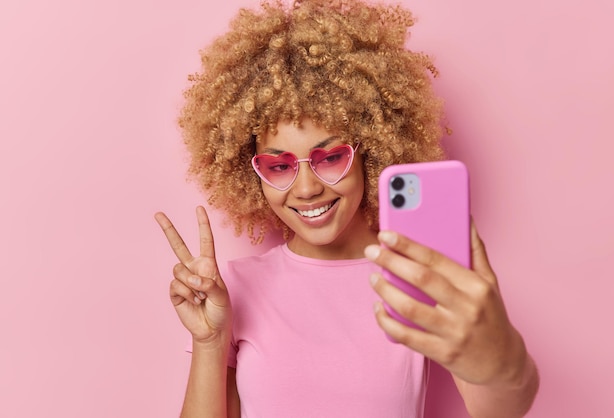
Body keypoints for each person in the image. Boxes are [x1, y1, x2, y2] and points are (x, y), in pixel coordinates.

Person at [154, 0, 539, 416]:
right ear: (251, 173)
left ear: (368, 152)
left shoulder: (414, 275)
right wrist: (210, 343)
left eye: (330, 158)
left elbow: (503, 407)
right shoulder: (234, 288)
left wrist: (505, 361)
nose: (306, 188)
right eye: (279, 165)